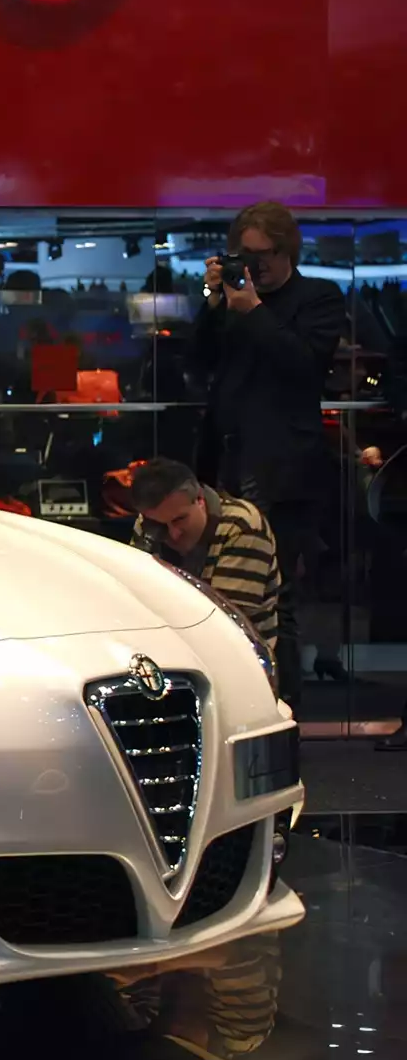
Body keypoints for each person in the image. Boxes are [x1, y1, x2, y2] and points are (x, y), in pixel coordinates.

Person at [192, 201, 343, 702]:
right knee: (217, 592)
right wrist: (214, 302)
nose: (254, 267)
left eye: (263, 256)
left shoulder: (318, 298)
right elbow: (197, 362)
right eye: (245, 255)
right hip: (226, 459)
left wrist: (253, 310)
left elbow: (304, 367)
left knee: (276, 601)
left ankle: (285, 718)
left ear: (286, 252)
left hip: (283, 471)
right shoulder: (232, 300)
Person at [127, 458, 282, 666]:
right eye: (159, 526)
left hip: (242, 661)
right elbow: (133, 601)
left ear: (200, 499)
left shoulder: (242, 526)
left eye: (180, 519)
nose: (173, 534)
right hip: (171, 653)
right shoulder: (147, 525)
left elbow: (224, 625)